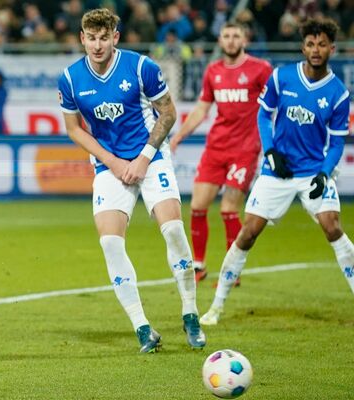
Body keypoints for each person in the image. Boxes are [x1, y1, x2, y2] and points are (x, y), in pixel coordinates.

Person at [58, 9, 205, 353]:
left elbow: (168, 113)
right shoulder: (69, 78)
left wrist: (143, 158)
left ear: (115, 38)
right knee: (110, 243)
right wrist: (111, 161)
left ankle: (190, 312)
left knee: (171, 229)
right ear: (82, 38)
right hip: (109, 166)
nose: (97, 45)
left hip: (150, 158)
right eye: (91, 38)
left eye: (103, 38)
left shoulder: (141, 68)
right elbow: (72, 128)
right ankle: (142, 328)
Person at [200, 18, 353, 326]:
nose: (316, 49)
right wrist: (270, 151)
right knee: (248, 233)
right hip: (276, 173)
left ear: (331, 49)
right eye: (310, 44)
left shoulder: (338, 93)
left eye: (322, 44)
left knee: (332, 226)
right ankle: (216, 307)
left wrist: (324, 173)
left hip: (312, 171)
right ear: (303, 46)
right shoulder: (282, 77)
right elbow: (263, 116)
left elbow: (336, 144)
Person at [169, 22, 272, 284]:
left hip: (245, 150)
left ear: (244, 39)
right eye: (226, 36)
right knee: (197, 206)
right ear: (220, 40)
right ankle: (199, 265)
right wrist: (179, 136)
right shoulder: (213, 71)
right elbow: (202, 109)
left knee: (228, 209)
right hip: (216, 147)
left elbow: (275, 106)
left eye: (236, 35)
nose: (230, 40)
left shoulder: (260, 69)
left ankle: (232, 270)